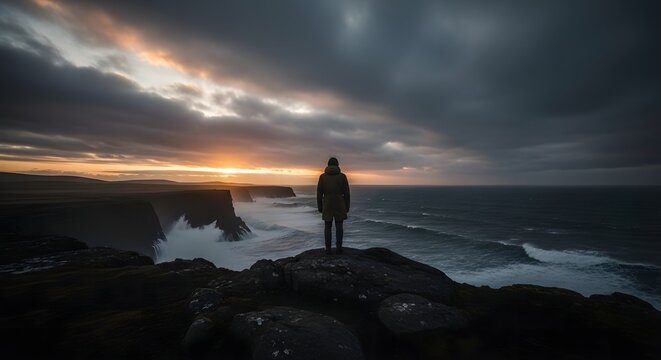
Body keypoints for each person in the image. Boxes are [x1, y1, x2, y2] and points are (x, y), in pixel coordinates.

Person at [317, 157, 350, 254]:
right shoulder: (342, 176)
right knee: (339, 227)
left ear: (328, 165)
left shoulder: (322, 177)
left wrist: (320, 207)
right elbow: (347, 193)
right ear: (337, 165)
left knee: (327, 227)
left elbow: (319, 193)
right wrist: (347, 206)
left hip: (327, 203)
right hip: (339, 204)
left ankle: (328, 249)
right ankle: (339, 248)